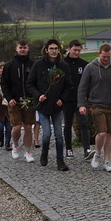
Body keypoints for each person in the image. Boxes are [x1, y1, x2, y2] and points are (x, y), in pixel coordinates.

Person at [78, 43, 111, 172]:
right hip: (96, 103)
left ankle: (107, 161)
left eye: (108, 57)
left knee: (109, 134)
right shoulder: (90, 67)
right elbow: (82, 87)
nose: (106, 59)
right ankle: (97, 153)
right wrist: (81, 104)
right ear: (99, 54)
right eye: (104, 57)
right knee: (101, 132)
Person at [27, 38, 74, 171]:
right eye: (51, 49)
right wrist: (38, 95)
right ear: (46, 50)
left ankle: (60, 161)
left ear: (59, 50)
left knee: (59, 135)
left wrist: (62, 99)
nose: (54, 51)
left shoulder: (63, 66)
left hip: (57, 106)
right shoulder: (38, 65)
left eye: (56, 49)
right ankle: (44, 153)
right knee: (46, 134)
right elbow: (30, 84)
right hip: (43, 106)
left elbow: (69, 85)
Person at [0, 39, 37, 163]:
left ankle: (28, 152)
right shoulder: (9, 65)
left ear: (28, 48)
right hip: (14, 101)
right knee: (16, 127)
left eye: (24, 47)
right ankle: (15, 145)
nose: (22, 49)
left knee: (28, 127)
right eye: (20, 47)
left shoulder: (33, 64)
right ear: (16, 48)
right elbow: (4, 84)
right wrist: (9, 98)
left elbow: (37, 82)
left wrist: (35, 96)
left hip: (29, 100)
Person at [63, 39, 92, 160]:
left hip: (81, 100)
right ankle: (69, 148)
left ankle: (87, 149)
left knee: (84, 123)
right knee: (68, 124)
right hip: (67, 99)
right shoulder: (62, 64)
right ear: (69, 49)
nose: (76, 52)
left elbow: (89, 82)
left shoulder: (84, 65)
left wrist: (88, 96)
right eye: (74, 50)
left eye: (79, 50)